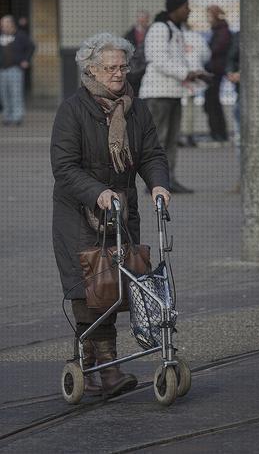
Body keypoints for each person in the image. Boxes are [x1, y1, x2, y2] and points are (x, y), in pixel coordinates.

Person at [50, 32, 170, 397]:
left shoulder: (136, 108)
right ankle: (109, 368)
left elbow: (150, 154)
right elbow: (65, 166)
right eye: (111, 68)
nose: (119, 74)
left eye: (123, 66)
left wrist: (159, 185)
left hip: (121, 210)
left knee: (119, 286)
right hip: (80, 214)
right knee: (92, 286)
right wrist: (97, 192)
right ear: (92, 70)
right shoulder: (72, 110)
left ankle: (91, 360)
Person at [140, 0, 205, 193]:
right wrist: (186, 73)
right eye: (186, 7)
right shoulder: (160, 28)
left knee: (170, 140)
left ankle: (167, 180)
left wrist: (193, 74)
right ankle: (154, 182)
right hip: (158, 94)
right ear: (176, 9)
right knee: (158, 141)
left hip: (173, 93)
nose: (189, 11)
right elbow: (158, 59)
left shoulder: (175, 29)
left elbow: (176, 61)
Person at [180, 23, 211, 147]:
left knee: (175, 105)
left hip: (177, 75)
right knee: (189, 106)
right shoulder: (197, 37)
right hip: (193, 75)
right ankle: (188, 134)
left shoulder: (175, 36)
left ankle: (177, 133)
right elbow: (206, 54)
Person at [0, 15, 35, 126]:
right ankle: (7, 116)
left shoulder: (20, 35)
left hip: (15, 69)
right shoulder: (1, 36)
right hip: (2, 70)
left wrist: (26, 60)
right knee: (4, 94)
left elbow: (32, 46)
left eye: (5, 25)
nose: (3, 27)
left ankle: (17, 117)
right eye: (2, 25)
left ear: (11, 24)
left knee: (16, 93)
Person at [204, 5, 232, 142]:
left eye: (209, 15)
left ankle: (218, 133)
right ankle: (217, 132)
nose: (207, 19)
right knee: (211, 102)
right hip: (213, 70)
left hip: (215, 71)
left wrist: (204, 51)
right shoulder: (218, 31)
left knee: (212, 102)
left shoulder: (222, 31)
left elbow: (216, 49)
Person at [226, 31, 241, 192]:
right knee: (240, 141)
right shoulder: (238, 35)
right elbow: (230, 57)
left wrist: (246, 74)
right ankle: (244, 177)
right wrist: (231, 72)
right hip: (240, 95)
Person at [124, 11, 150, 96]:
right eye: (140, 18)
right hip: (132, 73)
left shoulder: (151, 33)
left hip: (146, 71)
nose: (142, 20)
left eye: (144, 18)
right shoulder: (129, 35)